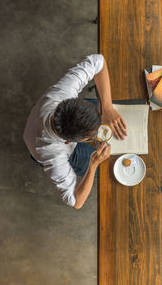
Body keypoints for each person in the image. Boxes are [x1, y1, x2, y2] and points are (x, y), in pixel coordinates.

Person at [23, 54, 127, 209]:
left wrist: (107, 107)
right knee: (107, 167)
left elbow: (98, 61)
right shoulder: (54, 157)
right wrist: (93, 164)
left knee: (111, 107)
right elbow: (76, 202)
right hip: (40, 146)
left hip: (48, 122)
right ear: (70, 142)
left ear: (71, 101)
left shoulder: (62, 93)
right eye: (91, 137)